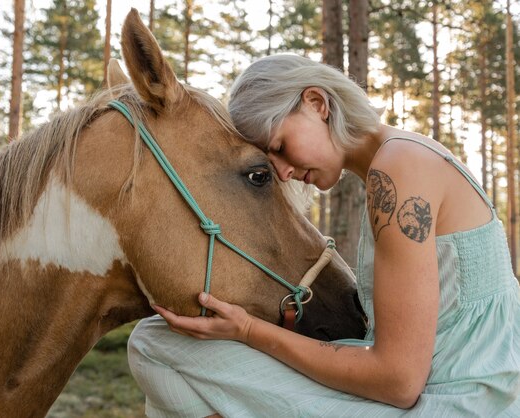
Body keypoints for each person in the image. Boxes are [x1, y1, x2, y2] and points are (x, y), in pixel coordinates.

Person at [127, 54, 520, 417]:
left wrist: (249, 330)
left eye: (280, 146)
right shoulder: (407, 157)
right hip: (468, 391)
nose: (282, 172)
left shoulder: (399, 169)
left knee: (156, 346)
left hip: (461, 405)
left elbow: (399, 381)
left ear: (317, 103)